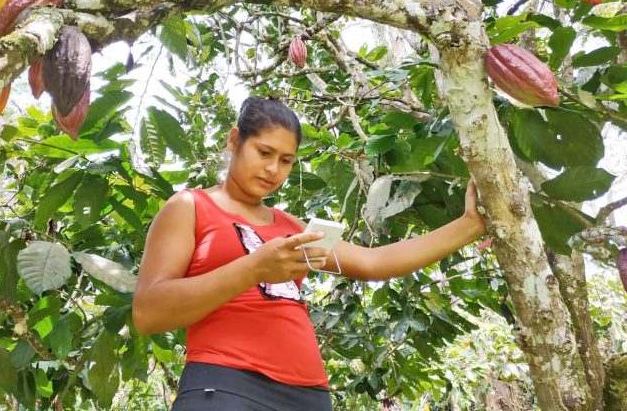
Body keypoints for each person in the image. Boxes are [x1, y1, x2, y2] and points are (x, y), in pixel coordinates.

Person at [132, 97, 487, 410]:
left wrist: (470, 225)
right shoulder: (190, 206)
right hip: (225, 385)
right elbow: (148, 312)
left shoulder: (290, 225)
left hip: (308, 395)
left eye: (286, 160)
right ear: (234, 140)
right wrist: (253, 268)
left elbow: (372, 262)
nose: (274, 169)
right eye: (264, 152)